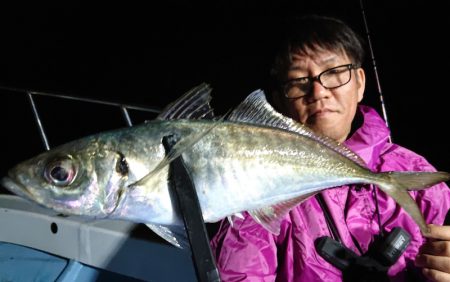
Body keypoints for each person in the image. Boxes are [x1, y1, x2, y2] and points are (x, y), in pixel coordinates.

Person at [210, 15, 450, 282]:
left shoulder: (417, 172)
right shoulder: (256, 185)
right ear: (279, 101)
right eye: (298, 81)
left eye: (334, 73)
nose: (318, 92)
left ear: (359, 83)